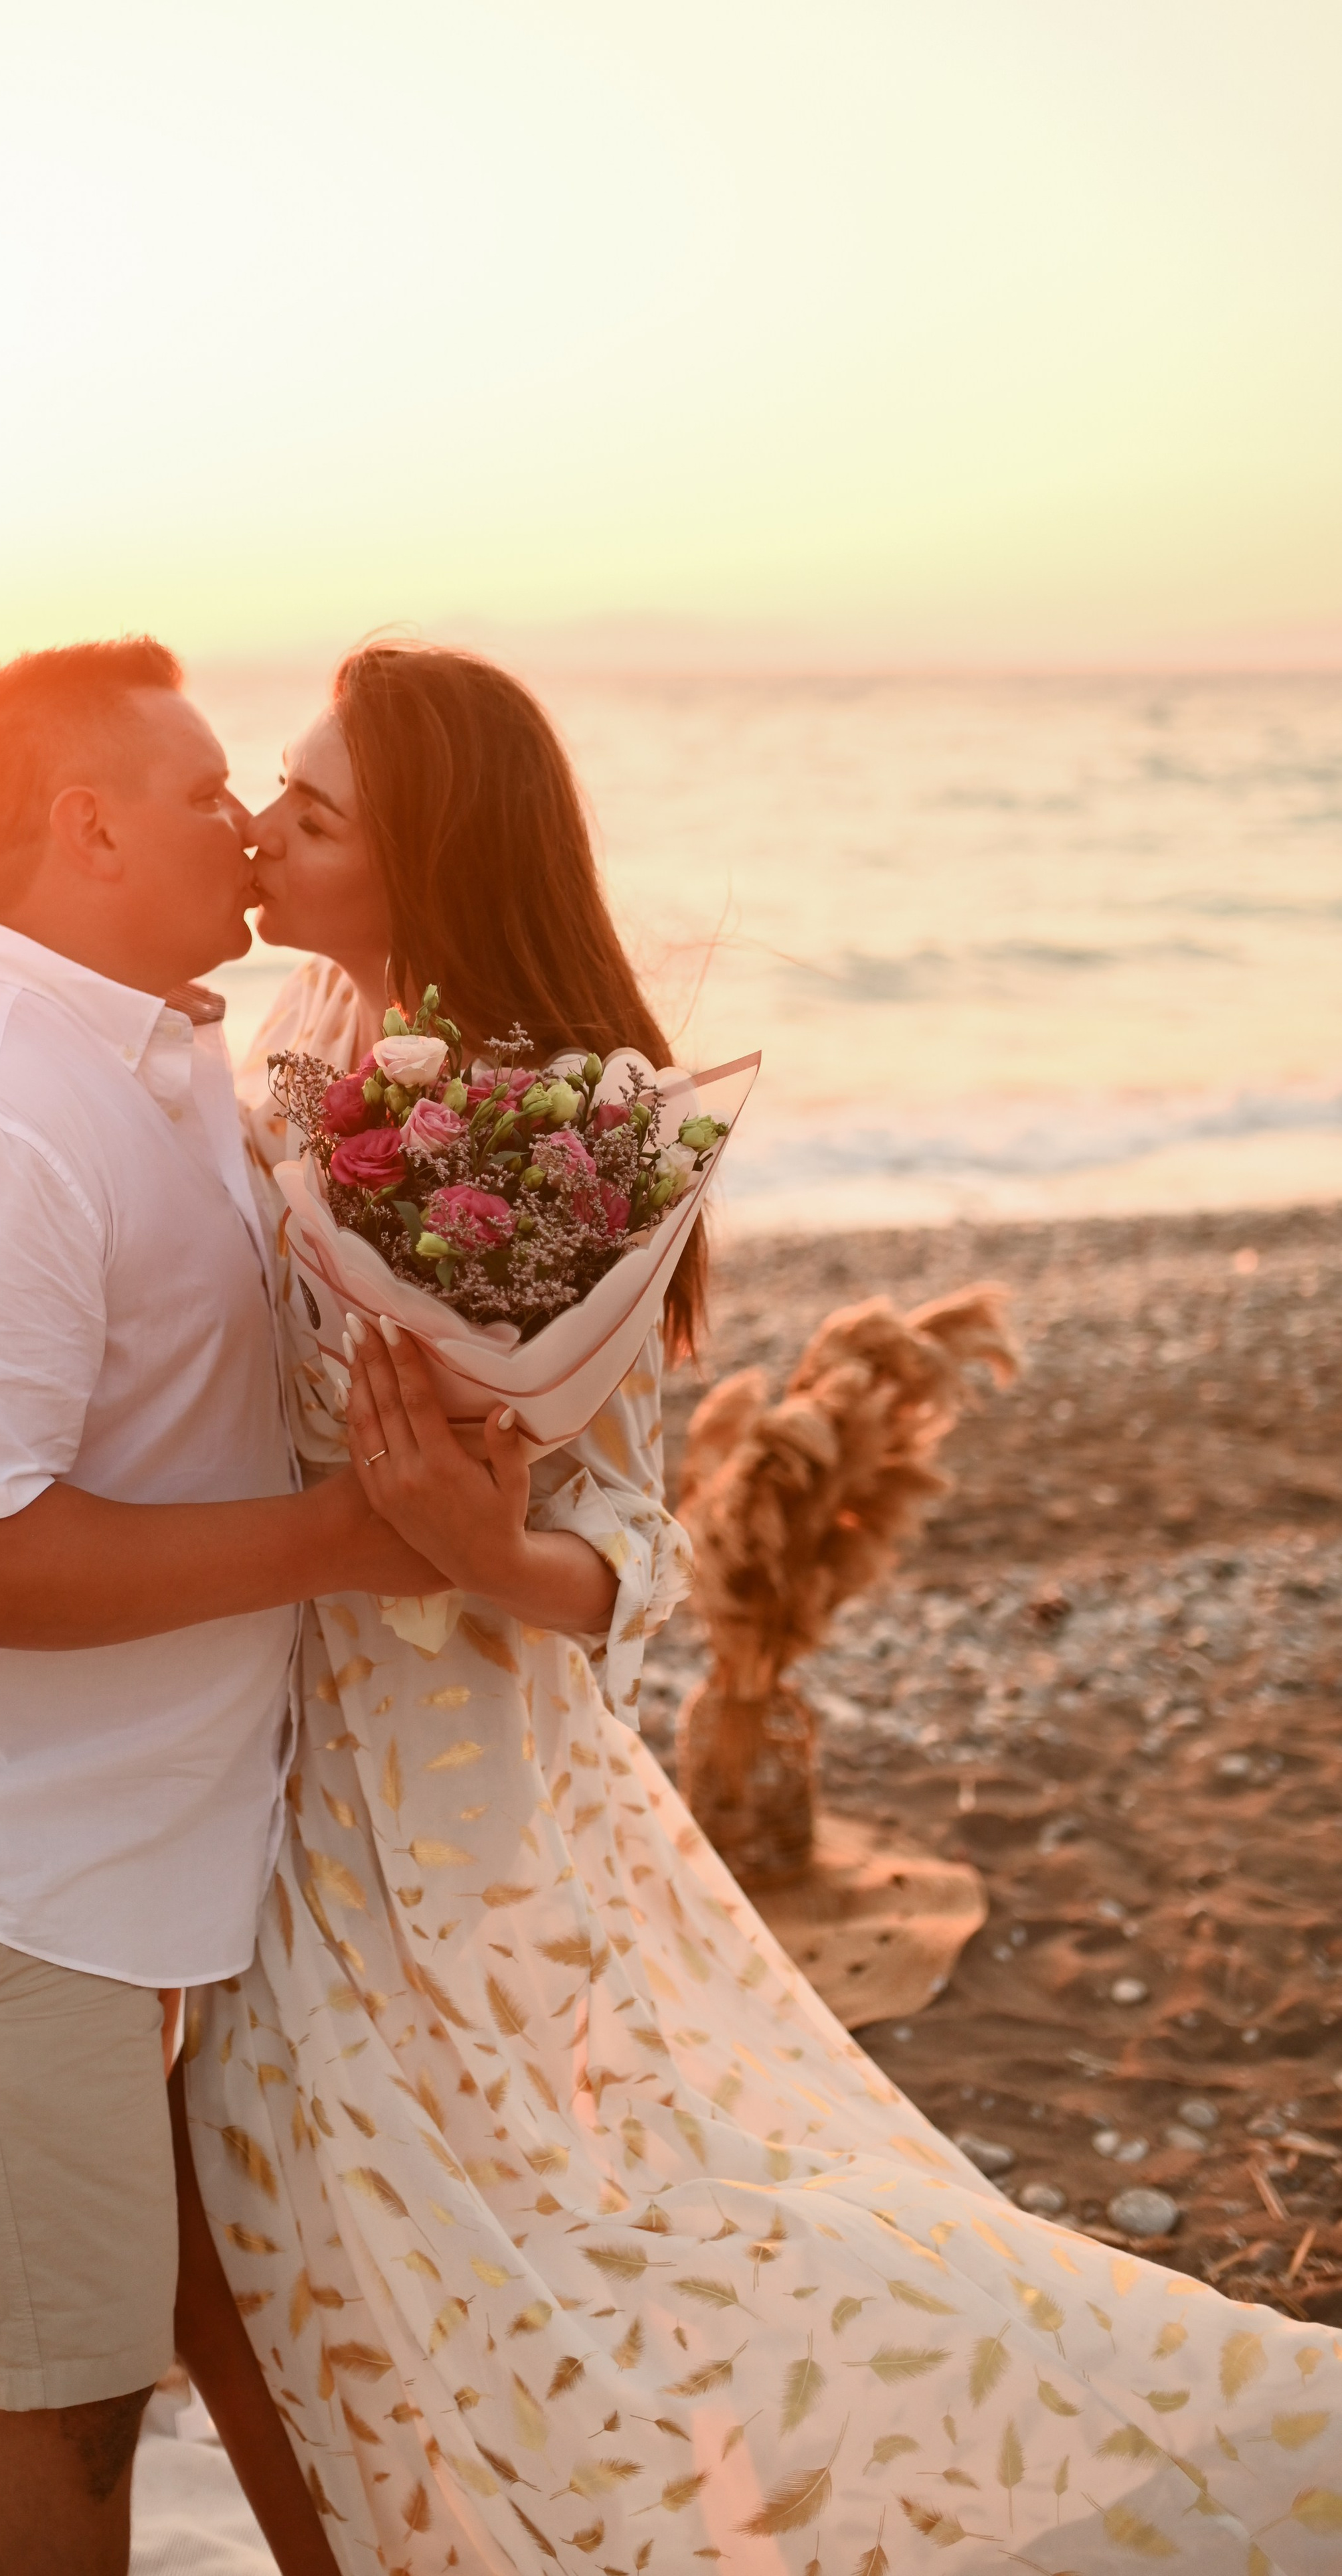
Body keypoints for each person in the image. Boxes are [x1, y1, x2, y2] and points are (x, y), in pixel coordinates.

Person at [181, 640, 1342, 2575]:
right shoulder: (282, 1054)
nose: (262, 826)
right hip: (261, 1760)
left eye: (314, 809)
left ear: (433, 849)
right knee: (298, 2227)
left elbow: (620, 1547)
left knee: (632, 2239)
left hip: (475, 1795)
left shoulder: (572, 1119)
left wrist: (475, 1546)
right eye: (275, 792)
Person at [0, 639, 438, 2576]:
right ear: (85, 823)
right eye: (207, 787)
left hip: (94, 1824)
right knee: (70, 2382)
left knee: (4, 2292)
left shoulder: (141, 1051)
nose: (243, 823)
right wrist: (350, 1538)